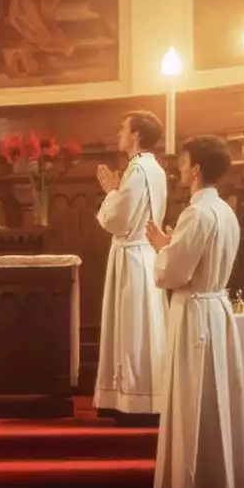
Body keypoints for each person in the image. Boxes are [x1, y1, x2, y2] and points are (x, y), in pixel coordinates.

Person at [145, 135, 244, 488]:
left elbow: (174, 273)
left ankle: (193, 483)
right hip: (215, 306)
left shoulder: (197, 213)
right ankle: (218, 477)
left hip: (194, 314)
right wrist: (174, 248)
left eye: (184, 162)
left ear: (197, 169)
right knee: (214, 393)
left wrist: (162, 249)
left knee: (195, 395)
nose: (178, 168)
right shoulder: (224, 211)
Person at [94, 111, 168, 426]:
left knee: (133, 327)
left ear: (136, 135)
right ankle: (142, 395)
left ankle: (135, 400)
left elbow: (117, 220)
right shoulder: (155, 169)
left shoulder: (137, 170)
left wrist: (111, 191)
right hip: (144, 253)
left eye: (123, 128)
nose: (119, 133)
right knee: (144, 326)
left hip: (133, 255)